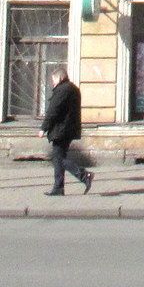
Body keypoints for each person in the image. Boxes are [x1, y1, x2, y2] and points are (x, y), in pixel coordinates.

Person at [41, 66, 91, 196]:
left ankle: (84, 175)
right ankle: (58, 188)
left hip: (61, 129)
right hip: (68, 129)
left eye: (53, 80)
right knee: (59, 158)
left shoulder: (63, 90)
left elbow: (53, 110)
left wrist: (43, 128)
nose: (53, 83)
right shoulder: (73, 88)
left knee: (58, 159)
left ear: (60, 77)